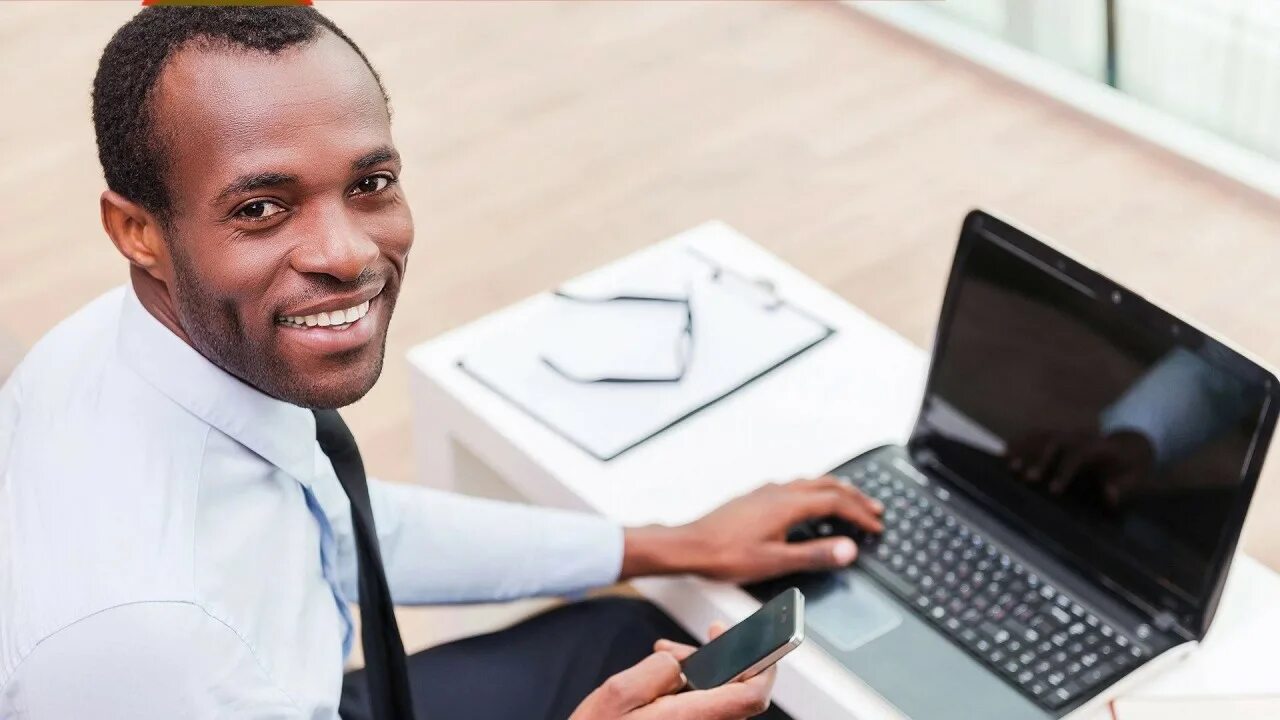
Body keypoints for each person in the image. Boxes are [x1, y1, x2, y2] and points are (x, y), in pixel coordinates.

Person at [0, 7, 884, 719]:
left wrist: (674, 542)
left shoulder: (133, 342)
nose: (347, 254)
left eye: (369, 184)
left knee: (628, 634)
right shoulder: (151, 648)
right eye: (263, 208)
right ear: (138, 231)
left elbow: (330, 528)